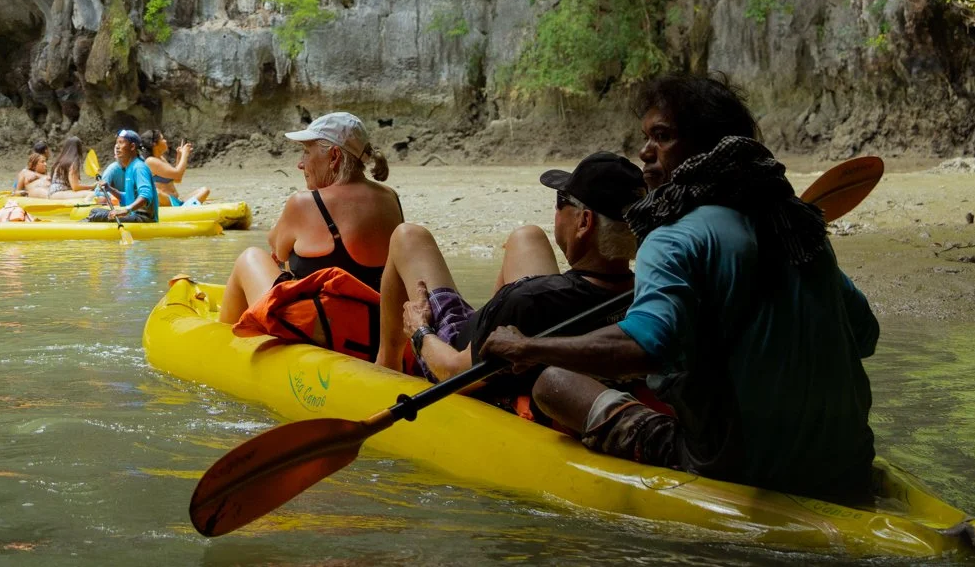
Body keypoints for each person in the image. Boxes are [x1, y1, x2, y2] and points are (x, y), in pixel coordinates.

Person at [476, 74, 880, 503]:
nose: (644, 152)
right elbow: (863, 335)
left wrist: (530, 349)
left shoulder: (672, 238)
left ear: (705, 148)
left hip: (736, 468)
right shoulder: (801, 232)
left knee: (554, 382)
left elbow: (644, 350)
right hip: (847, 464)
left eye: (661, 137)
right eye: (647, 137)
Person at [377, 152, 643, 413]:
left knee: (407, 237)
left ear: (584, 221)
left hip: (457, 354)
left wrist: (420, 331)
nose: (556, 209)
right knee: (527, 236)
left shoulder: (529, 300)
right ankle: (484, 324)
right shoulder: (647, 293)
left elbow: (454, 373)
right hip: (511, 324)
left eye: (562, 201)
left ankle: (386, 365)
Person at [218, 112, 401, 325]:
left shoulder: (304, 203)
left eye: (306, 152)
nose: (300, 164)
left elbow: (277, 248)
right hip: (375, 328)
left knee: (250, 258)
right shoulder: (390, 198)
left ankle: (221, 338)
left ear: (334, 156)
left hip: (322, 332)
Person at [92, 130, 160, 223]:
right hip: (134, 215)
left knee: (97, 216)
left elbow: (146, 196)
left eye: (121, 143)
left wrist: (126, 210)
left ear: (132, 146)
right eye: (116, 143)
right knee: (95, 211)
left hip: (144, 218)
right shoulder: (130, 167)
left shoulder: (139, 167)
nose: (117, 146)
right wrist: (110, 189)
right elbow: (128, 198)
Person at [145, 131, 210, 206]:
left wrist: (179, 156)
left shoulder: (161, 158)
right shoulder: (150, 161)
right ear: (154, 144)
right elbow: (178, 174)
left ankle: (184, 206)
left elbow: (177, 179)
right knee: (156, 192)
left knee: (205, 190)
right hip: (166, 202)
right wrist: (185, 155)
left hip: (176, 200)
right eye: (162, 139)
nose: (165, 141)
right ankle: (185, 207)